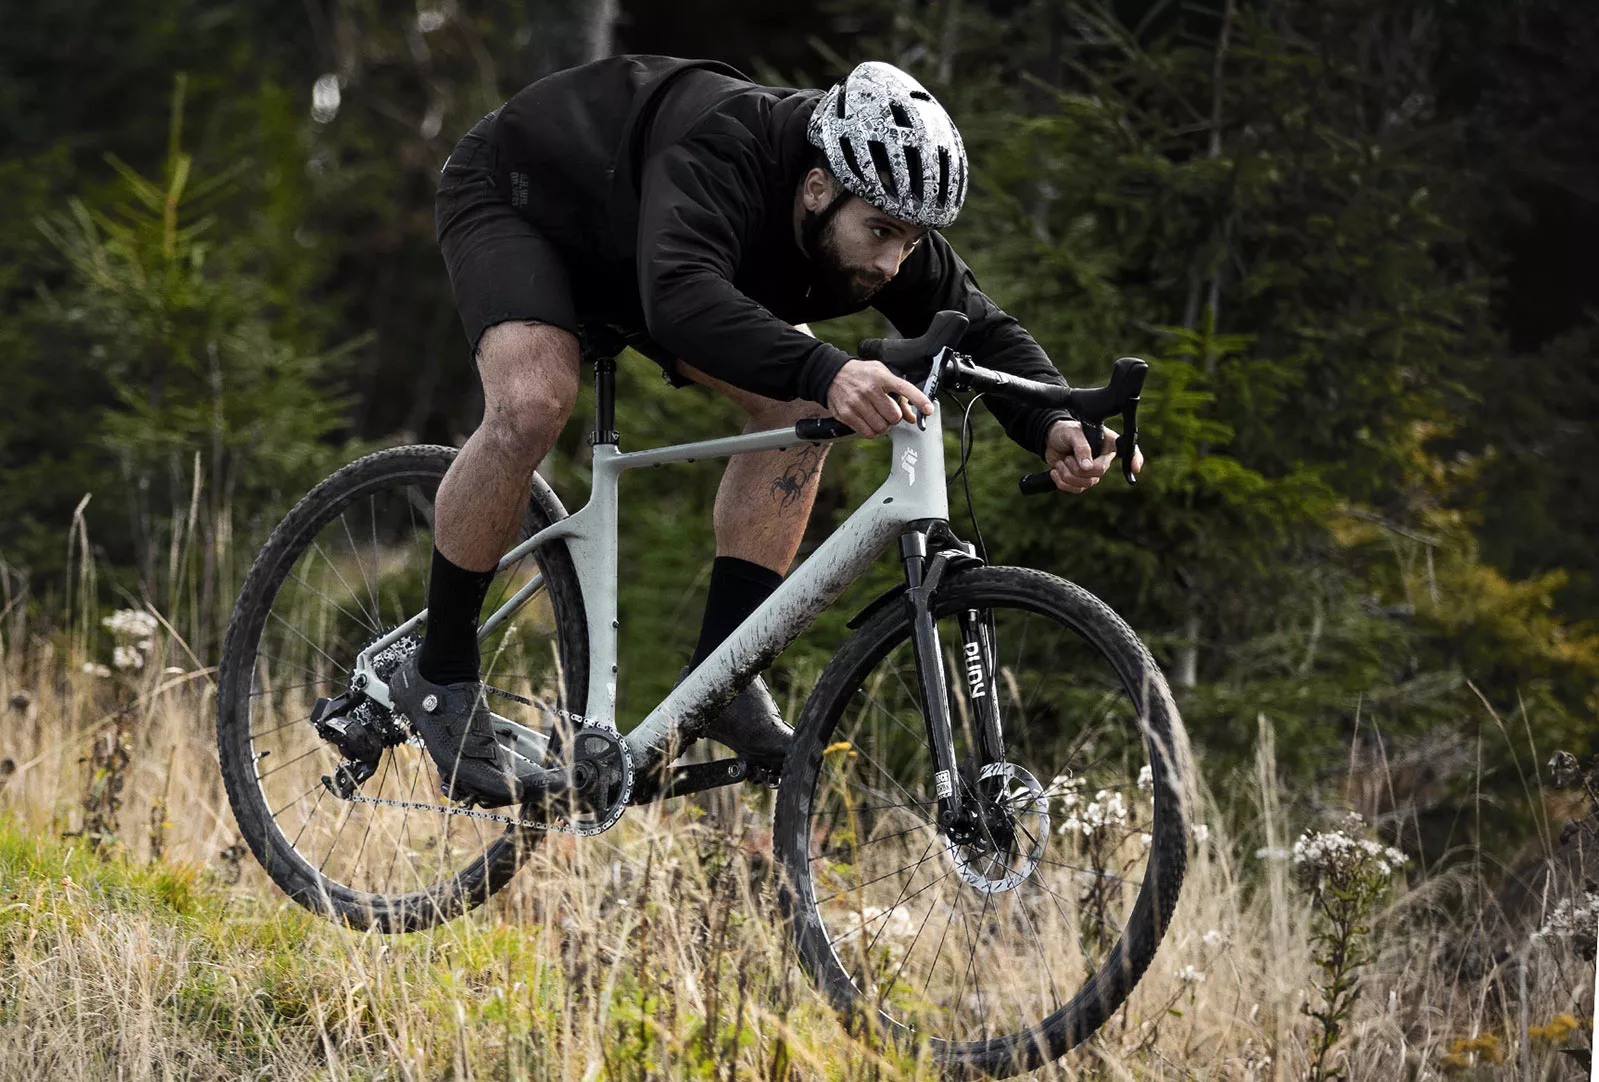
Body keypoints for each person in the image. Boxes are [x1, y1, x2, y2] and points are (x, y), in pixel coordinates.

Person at [392, 56, 1140, 807]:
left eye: (910, 242)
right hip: (525, 200)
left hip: (652, 254)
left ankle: (723, 678)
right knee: (533, 403)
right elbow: (680, 294)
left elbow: (977, 327)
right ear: (817, 188)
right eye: (878, 232)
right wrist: (827, 369)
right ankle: (440, 673)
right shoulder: (721, 145)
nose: (890, 263)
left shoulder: (877, 212)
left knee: (794, 414)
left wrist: (1050, 418)